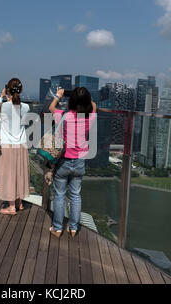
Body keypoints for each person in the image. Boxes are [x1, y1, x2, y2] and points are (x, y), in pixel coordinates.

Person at [48, 87, 97, 238]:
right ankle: (73, 228)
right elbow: (93, 104)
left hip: (63, 161)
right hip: (80, 161)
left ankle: (57, 228)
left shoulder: (64, 115)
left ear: (72, 101)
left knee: (59, 195)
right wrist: (83, 97)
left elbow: (51, 108)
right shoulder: (91, 117)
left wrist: (59, 95)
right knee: (76, 195)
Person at [0, 78, 30, 215]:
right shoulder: (26, 107)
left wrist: (2, 96)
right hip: (21, 144)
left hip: (7, 145)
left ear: (7, 89)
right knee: (19, 173)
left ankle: (11, 206)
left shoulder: (3, 106)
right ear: (20, 90)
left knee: (8, 175)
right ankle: (19, 203)